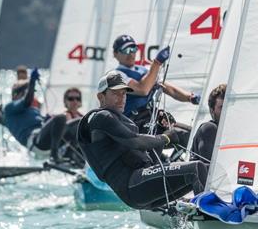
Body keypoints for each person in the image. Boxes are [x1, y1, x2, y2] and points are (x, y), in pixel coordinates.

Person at [77, 70, 208, 209]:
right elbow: (135, 141)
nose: (121, 98)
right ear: (101, 97)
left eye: (124, 93)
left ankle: (200, 210)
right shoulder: (101, 117)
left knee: (205, 168)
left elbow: (150, 157)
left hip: (141, 186)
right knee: (196, 168)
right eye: (115, 93)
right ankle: (205, 213)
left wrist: (159, 127)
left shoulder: (122, 120)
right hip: (133, 185)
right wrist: (166, 137)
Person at [0, 69, 79, 162]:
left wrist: (47, 121)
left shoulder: (33, 110)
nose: (32, 95)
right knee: (61, 117)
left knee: (79, 123)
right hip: (36, 144)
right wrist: (32, 82)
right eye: (27, 92)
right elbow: (26, 101)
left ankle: (71, 156)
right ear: (17, 94)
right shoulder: (10, 108)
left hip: (44, 140)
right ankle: (54, 156)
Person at [112, 35, 200, 132]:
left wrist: (190, 97)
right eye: (126, 50)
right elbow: (143, 90)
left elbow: (171, 90)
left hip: (150, 118)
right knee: (177, 135)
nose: (131, 54)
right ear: (115, 54)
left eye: (133, 49)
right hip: (133, 125)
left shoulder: (144, 70)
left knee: (191, 133)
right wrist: (157, 63)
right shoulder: (116, 75)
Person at [191, 83, 225, 162]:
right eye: (222, 107)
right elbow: (208, 165)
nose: (226, 111)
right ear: (212, 111)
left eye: (229, 106)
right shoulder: (209, 129)